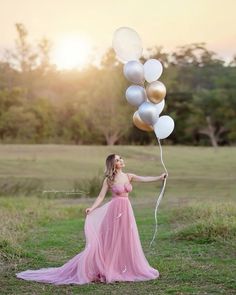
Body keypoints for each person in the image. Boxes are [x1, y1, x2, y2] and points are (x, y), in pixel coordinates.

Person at [16, 153, 167, 285]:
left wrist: (160, 177)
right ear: (113, 164)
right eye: (118, 159)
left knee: (126, 238)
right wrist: (92, 208)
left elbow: (146, 178)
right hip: (114, 211)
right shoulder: (109, 180)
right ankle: (105, 267)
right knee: (110, 239)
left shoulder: (129, 176)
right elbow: (101, 196)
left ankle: (122, 266)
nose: (121, 160)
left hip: (127, 210)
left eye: (121, 158)